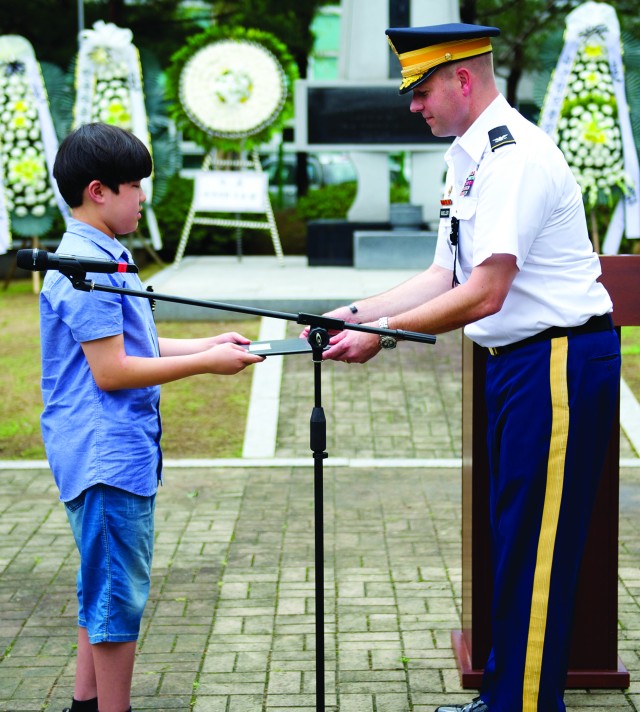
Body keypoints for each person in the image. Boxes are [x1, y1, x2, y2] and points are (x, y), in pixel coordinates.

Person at [310, 23, 622, 712]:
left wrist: (383, 337)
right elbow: (443, 274)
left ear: (462, 79)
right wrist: (352, 313)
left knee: (537, 553)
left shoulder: (513, 158)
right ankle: (506, 699)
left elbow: (486, 291)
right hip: (519, 365)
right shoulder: (468, 156)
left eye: (421, 91)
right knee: (514, 544)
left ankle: (524, 707)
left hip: (558, 362)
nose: (413, 105)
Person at [40, 122, 264, 712]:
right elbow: (112, 371)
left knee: (102, 584)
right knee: (117, 593)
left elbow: (134, 349)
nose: (143, 196)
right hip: (105, 457)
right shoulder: (86, 269)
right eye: (134, 185)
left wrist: (210, 345)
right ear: (98, 191)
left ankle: (87, 704)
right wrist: (206, 367)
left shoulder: (101, 256)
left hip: (105, 450)